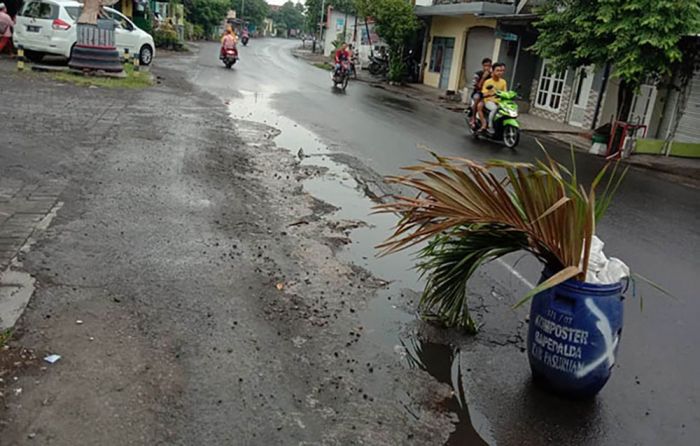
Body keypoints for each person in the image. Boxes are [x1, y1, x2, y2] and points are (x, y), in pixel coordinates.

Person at [478, 62, 507, 133]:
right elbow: (484, 93)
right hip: (489, 101)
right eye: (497, 70)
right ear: (493, 71)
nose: (500, 72)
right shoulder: (488, 82)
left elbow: (505, 93)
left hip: (500, 102)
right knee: (495, 109)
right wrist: (490, 94)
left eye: (501, 71)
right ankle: (490, 127)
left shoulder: (503, 82)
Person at [469, 58, 492, 127]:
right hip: (478, 92)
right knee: (477, 98)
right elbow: (476, 86)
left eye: (489, 66)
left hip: (489, 94)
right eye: (485, 66)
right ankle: (473, 118)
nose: (487, 68)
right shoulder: (478, 74)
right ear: (482, 66)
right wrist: (483, 77)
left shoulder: (492, 75)